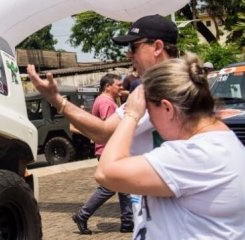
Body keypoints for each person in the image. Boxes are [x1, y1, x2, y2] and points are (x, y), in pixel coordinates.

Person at [27, 14, 178, 234]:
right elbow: (103, 131)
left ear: (157, 47)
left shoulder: (163, 89)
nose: (128, 54)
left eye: (133, 47)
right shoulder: (155, 88)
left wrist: (57, 101)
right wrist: (57, 100)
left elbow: (104, 137)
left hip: (169, 218)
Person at [95, 55, 245, 238]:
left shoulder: (196, 154)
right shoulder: (223, 144)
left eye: (149, 112)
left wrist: (132, 115)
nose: (151, 121)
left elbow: (105, 173)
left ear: (167, 108)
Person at [72, 73, 133, 234]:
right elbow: (109, 129)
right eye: (118, 85)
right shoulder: (106, 102)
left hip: (107, 149)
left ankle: (128, 221)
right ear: (107, 86)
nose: (121, 87)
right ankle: (82, 215)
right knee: (109, 187)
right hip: (109, 150)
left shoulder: (102, 100)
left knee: (122, 185)